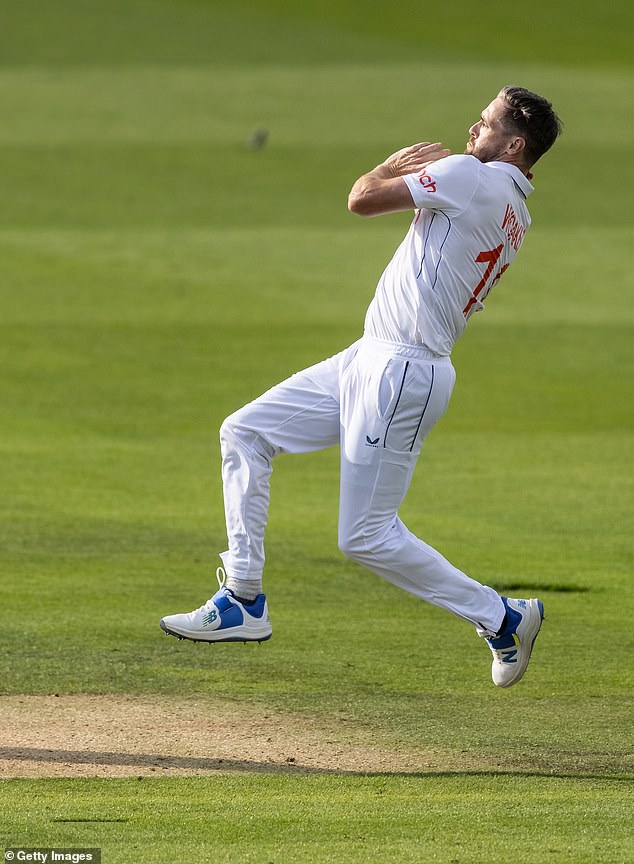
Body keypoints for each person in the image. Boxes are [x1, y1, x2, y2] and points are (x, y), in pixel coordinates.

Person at [161, 86, 563, 688]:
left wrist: (388, 167)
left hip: (402, 368)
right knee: (245, 431)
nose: (471, 128)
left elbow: (361, 200)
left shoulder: (469, 176)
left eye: (485, 123)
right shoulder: (516, 208)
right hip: (373, 356)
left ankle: (502, 616)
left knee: (365, 536)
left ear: (514, 144)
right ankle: (242, 598)